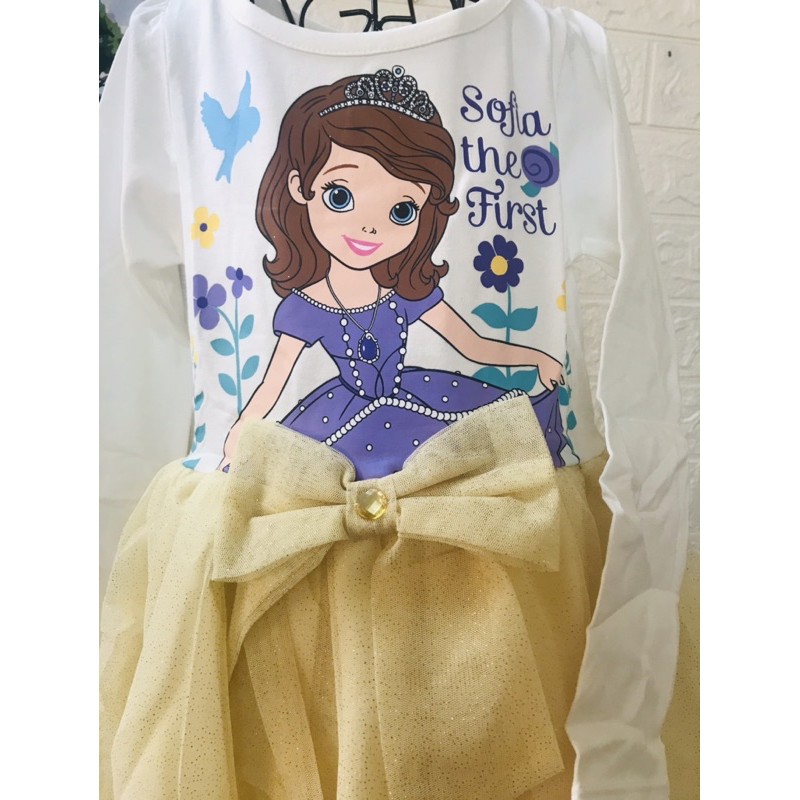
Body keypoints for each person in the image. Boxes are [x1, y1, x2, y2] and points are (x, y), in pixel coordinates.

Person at [219, 69, 566, 476]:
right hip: (342, 421)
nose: (370, 228)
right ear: (300, 187)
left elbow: (471, 344)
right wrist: (237, 435)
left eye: (402, 210)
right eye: (340, 196)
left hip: (417, 405)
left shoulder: (405, 293)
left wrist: (536, 358)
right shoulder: (305, 308)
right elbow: (272, 385)